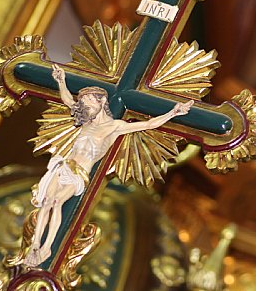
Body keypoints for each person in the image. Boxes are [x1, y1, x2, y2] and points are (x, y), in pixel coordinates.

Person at [24, 64, 193, 266]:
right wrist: (61, 80)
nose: (84, 105)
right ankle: (35, 244)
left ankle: (47, 247)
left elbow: (148, 125)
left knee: (56, 201)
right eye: (83, 102)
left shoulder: (115, 127)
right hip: (63, 166)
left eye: (88, 101)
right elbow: (68, 100)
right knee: (46, 202)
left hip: (79, 173)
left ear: (102, 100)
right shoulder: (86, 122)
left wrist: (173, 112)